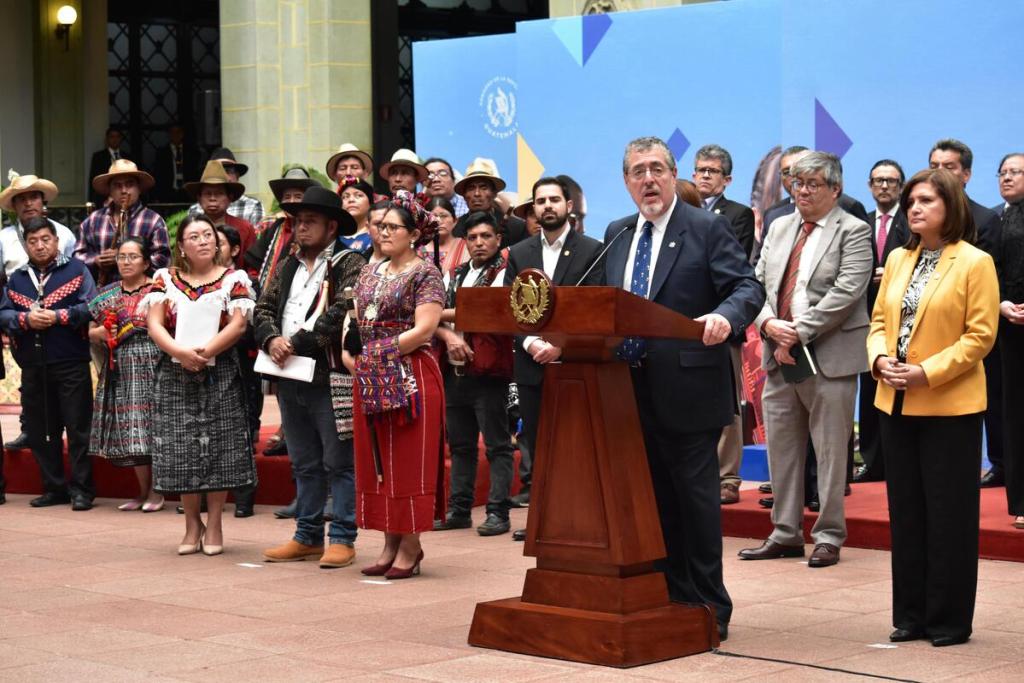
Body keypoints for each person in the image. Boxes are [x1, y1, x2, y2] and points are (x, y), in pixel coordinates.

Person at [602, 136, 765, 642]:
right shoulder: (617, 233)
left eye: (656, 168)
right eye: (637, 171)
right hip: (625, 392)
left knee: (694, 504)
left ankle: (709, 604)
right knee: (652, 502)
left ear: (674, 176)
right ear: (626, 182)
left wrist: (723, 316)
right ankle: (669, 595)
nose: (647, 178)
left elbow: (747, 288)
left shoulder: (706, 227)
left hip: (689, 389)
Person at [868, 168, 998, 647]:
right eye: (910, 202)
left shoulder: (975, 262)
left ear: (951, 206)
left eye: (925, 200)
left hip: (949, 405)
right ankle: (911, 615)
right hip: (895, 401)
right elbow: (879, 319)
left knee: (949, 514)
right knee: (906, 512)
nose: (914, 208)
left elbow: (981, 336)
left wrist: (927, 372)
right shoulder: (900, 258)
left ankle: (948, 620)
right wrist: (879, 358)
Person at [740, 152, 872, 569]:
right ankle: (785, 533)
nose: (803, 190)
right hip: (778, 355)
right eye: (797, 183)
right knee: (781, 449)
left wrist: (795, 331)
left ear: (835, 189)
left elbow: (847, 292)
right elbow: (754, 282)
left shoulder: (853, 230)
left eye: (813, 183)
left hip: (828, 355)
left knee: (832, 452)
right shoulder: (779, 227)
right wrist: (768, 326)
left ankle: (829, 535)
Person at [257, 186, 366, 568]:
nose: (301, 229)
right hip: (288, 372)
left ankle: (343, 536)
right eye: (298, 222)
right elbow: (264, 305)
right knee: (303, 460)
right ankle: (306, 535)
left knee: (339, 460)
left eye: (309, 222)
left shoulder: (351, 261)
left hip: (330, 373)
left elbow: (340, 311)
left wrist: (297, 343)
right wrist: (271, 339)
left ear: (331, 226)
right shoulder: (288, 264)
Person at [142, 215, 257, 556]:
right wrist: (180, 351)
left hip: (219, 371)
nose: (204, 241)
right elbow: (155, 324)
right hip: (174, 372)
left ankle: (217, 521)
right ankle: (192, 523)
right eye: (195, 236)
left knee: (220, 445)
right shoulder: (166, 278)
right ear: (181, 246)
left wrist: (205, 352)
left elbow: (237, 326)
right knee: (180, 449)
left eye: (209, 234)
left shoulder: (233, 279)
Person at [349, 190, 445, 579]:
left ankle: (411, 544)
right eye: (379, 226)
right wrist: (355, 353)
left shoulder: (425, 272)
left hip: (412, 372)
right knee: (378, 458)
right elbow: (354, 318)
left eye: (392, 227)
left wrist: (381, 350)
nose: (382, 232)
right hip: (371, 371)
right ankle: (390, 541)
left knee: (407, 457)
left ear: (413, 233)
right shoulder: (369, 270)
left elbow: (426, 328)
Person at [504, 177, 604, 540]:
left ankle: (580, 519)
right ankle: (541, 520)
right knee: (538, 444)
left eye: (554, 200)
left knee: (577, 445)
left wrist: (561, 345)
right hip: (531, 363)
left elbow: (595, 310)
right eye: (540, 201)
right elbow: (509, 309)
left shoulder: (593, 250)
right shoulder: (519, 253)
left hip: (573, 364)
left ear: (569, 206)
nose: (547, 206)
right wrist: (531, 343)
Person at [0, 217, 98, 510]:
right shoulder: (17, 278)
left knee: (78, 428)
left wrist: (60, 316)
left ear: (56, 240)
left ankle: (82, 490)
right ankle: (54, 487)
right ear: (25, 245)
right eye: (33, 241)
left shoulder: (78, 270)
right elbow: (3, 313)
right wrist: (24, 319)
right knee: (43, 428)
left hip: (71, 360)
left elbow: (92, 305)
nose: (40, 245)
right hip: (32, 363)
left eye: (45, 239)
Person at [928, 139, 1005, 489]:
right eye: (934, 165)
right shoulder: (915, 217)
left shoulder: (986, 218)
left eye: (949, 166)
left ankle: (996, 462)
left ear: (967, 175)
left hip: (969, 331)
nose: (940, 172)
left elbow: (989, 281)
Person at [434, 211, 514, 536]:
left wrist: (438, 314)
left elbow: (488, 309)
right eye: (473, 238)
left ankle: (498, 512)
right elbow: (431, 315)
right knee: (462, 447)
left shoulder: (506, 272)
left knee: (497, 446)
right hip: (454, 372)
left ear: (498, 239)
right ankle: (459, 509)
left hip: (488, 371)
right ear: (465, 241)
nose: (479, 243)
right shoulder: (454, 273)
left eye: (486, 236)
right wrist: (446, 331)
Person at [692, 144, 757, 506]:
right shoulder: (681, 211)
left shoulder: (738, 214)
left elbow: (736, 268)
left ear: (727, 179)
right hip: (684, 323)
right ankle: (701, 473)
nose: (704, 176)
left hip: (721, 319)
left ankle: (728, 477)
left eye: (712, 171)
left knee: (726, 402)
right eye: (700, 170)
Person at [0, 172, 78, 451]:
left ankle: (64, 430)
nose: (28, 203)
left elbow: (72, 272)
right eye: (21, 199)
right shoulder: (4, 238)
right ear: (15, 205)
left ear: (43, 201)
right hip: (20, 317)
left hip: (59, 316)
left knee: (62, 378)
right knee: (29, 378)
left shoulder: (63, 233)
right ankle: (28, 428)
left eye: (33, 197)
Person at [245, 167, 318, 463]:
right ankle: (287, 429)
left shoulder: (313, 234)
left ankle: (292, 432)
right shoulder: (272, 230)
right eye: (287, 196)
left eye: (297, 195)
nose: (291, 200)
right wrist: (259, 289)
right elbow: (252, 263)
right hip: (271, 308)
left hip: (306, 315)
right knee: (278, 378)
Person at [87, 238, 163, 512]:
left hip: (154, 363)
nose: (126, 262)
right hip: (120, 367)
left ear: (145, 261)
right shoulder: (107, 294)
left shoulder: (158, 289)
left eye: (133, 256)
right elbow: (91, 330)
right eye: (122, 257)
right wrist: (103, 332)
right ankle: (142, 492)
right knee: (130, 433)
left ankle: (157, 492)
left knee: (151, 428)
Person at [854, 160, 910, 484]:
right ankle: (871, 462)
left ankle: (896, 463)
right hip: (864, 319)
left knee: (898, 391)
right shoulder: (860, 222)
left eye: (891, 180)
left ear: (901, 186)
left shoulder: (911, 222)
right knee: (868, 391)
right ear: (870, 185)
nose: (884, 186)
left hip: (902, 319)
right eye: (878, 180)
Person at [751, 146, 869, 266]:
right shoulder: (773, 215)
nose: (794, 178)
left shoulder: (848, 206)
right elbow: (760, 267)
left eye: (801, 169)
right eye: (787, 172)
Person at [77, 159, 171, 285]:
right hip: (102, 295)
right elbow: (77, 258)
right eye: (117, 185)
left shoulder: (153, 221)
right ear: (109, 190)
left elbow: (163, 261)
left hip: (142, 295)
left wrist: (124, 258)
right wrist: (96, 260)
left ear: (139, 189)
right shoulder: (93, 220)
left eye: (130, 184)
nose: (124, 190)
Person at [996, 153, 1024, 527]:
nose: (1007, 177)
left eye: (1016, 172)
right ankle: (1021, 500)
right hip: (1009, 322)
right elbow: (989, 268)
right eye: (1002, 172)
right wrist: (1000, 303)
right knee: (1015, 411)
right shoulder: (996, 219)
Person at [185, 160, 256, 266]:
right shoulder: (190, 228)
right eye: (208, 194)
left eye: (219, 193)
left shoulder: (244, 227)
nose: (213, 198)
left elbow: (252, 266)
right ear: (199, 198)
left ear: (230, 198)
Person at [453, 158, 527, 246]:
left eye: (484, 188)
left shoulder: (516, 227)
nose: (477, 193)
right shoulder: (454, 228)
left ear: (494, 193)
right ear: (464, 195)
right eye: (471, 188)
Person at [187, 148, 264, 226]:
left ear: (237, 175)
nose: (223, 176)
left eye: (228, 171)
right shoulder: (195, 209)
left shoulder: (252, 205)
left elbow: (258, 235)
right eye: (217, 172)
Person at [422, 196, 469, 277]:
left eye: (444, 216)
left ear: (455, 221)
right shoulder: (416, 249)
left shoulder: (466, 246)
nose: (439, 221)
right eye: (433, 216)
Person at [154, 123, 200, 203]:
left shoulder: (192, 152)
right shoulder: (162, 153)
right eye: (172, 132)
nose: (175, 135)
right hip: (168, 192)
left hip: (187, 192)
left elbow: (195, 172)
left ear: (182, 134)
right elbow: (158, 174)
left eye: (178, 132)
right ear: (169, 135)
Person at [88, 127, 130, 205]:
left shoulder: (128, 156)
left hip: (124, 197)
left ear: (121, 139)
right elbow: (94, 179)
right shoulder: (98, 156)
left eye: (117, 137)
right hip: (104, 198)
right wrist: (91, 200)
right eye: (112, 137)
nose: (115, 139)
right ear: (107, 139)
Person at [338, 175, 375, 252]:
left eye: (358, 195)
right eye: (345, 197)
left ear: (370, 203)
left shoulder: (377, 235)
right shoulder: (333, 236)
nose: (351, 200)